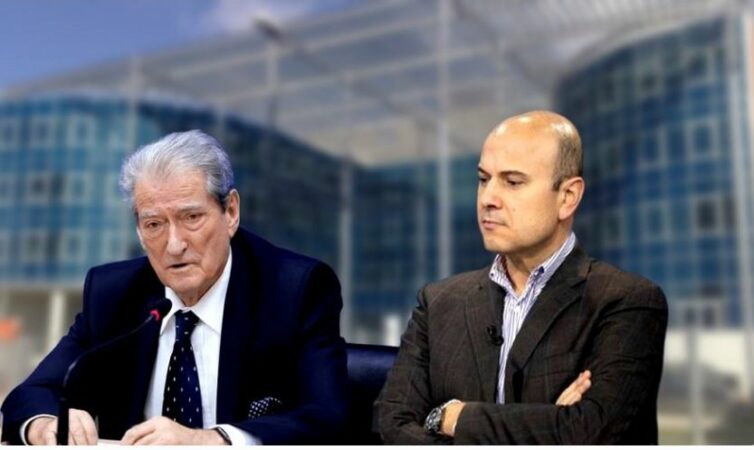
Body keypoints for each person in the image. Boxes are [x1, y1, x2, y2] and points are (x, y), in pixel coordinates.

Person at [1, 130, 348, 445]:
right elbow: (31, 394)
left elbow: (327, 418)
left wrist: (210, 440)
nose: (174, 245)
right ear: (139, 231)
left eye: (191, 218)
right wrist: (46, 425)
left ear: (230, 212)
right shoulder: (113, 294)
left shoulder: (294, 289)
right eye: (154, 224)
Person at [374, 110, 668, 444]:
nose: (488, 199)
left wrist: (453, 417)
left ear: (567, 197)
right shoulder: (438, 302)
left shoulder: (627, 302)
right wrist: (547, 423)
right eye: (483, 179)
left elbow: (591, 433)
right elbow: (390, 424)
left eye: (512, 182)